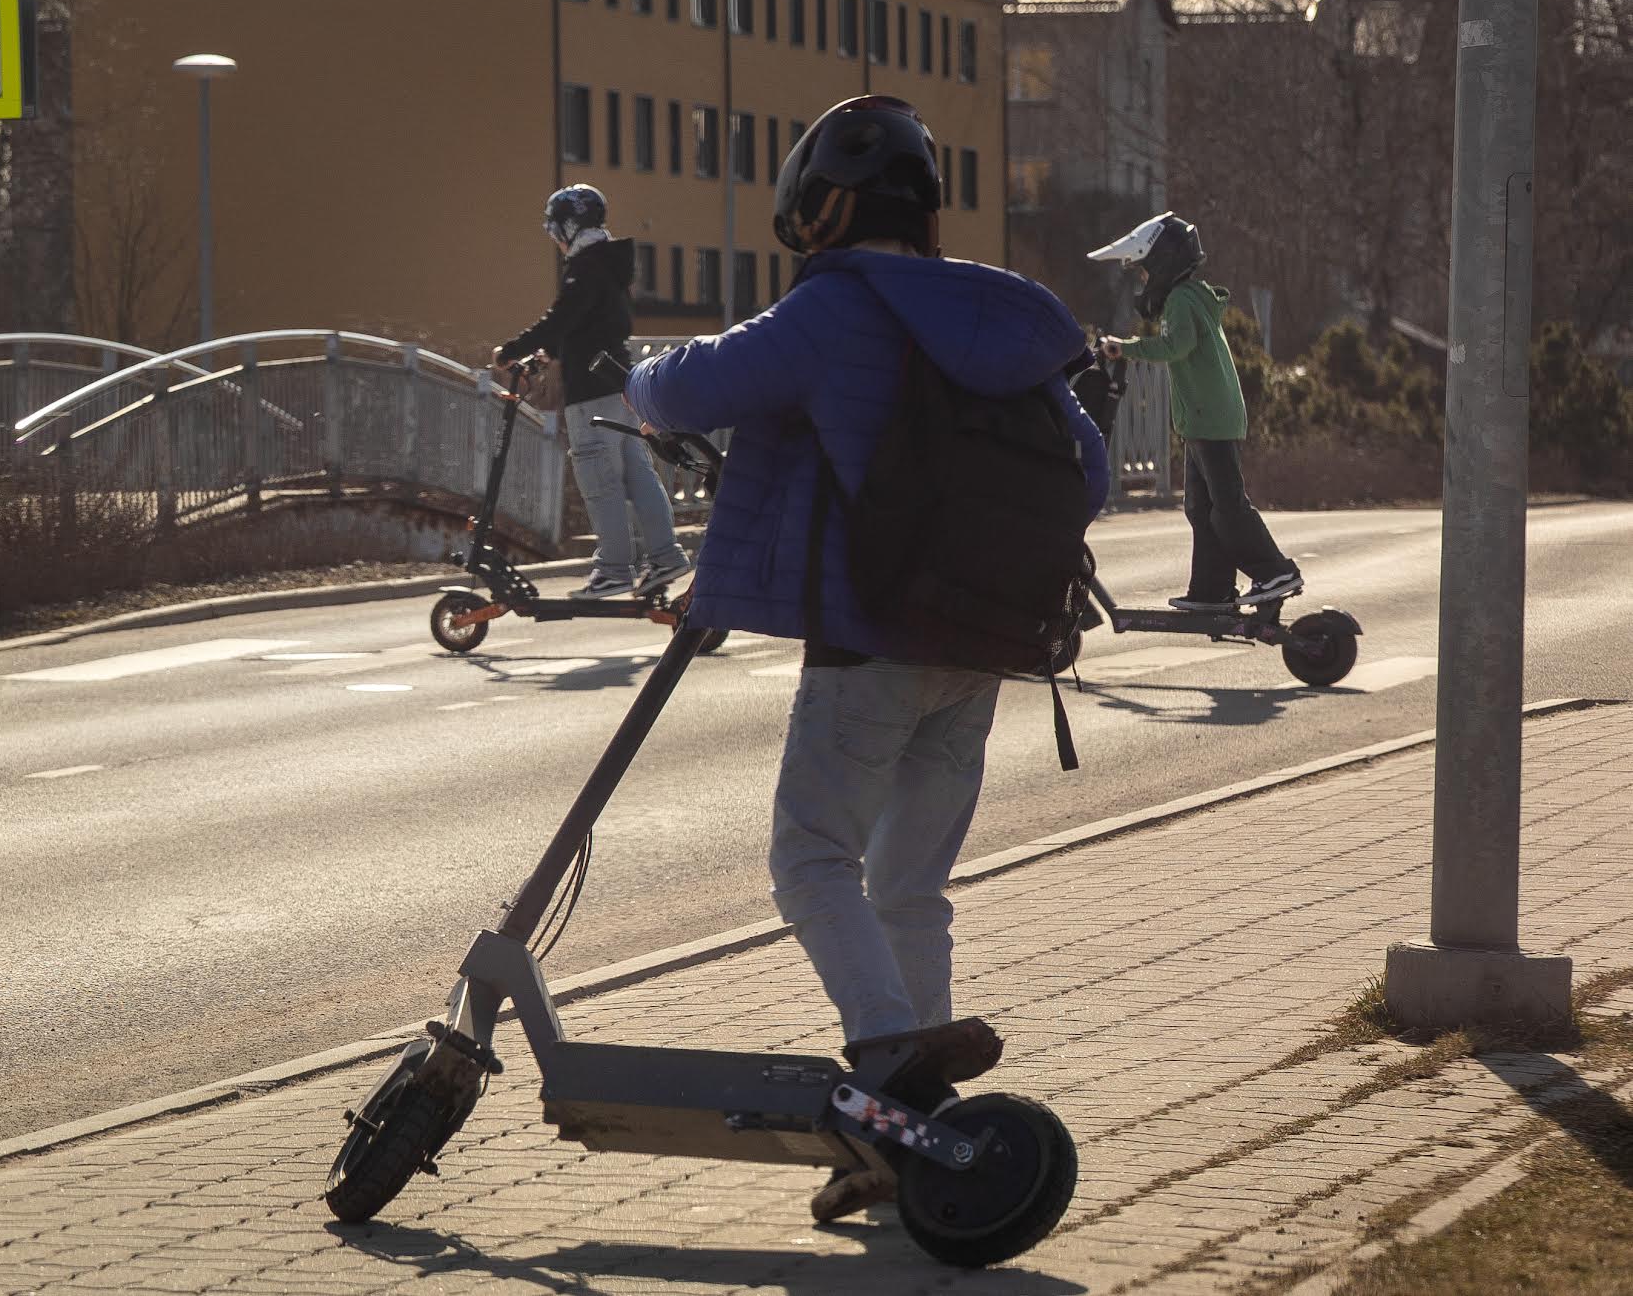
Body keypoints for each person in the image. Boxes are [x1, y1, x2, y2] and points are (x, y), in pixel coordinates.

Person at [624, 96, 1108, 1223]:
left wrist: (637, 377)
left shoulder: (838, 307)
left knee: (810, 860)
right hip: (983, 639)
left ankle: (887, 1070)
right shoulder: (1007, 315)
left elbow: (692, 386)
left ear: (818, 209)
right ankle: (926, 1147)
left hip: (871, 642)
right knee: (910, 885)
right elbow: (1085, 472)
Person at [1090, 213, 1302, 612]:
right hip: (1204, 420)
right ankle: (1212, 589)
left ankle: (1276, 571)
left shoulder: (1182, 300)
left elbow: (1176, 346)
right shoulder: (1187, 297)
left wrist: (1127, 347)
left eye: (1144, 272)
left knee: (1227, 508)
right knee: (1201, 509)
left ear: (1162, 263)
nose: (1142, 282)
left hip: (1212, 420)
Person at [493, 184, 688, 600]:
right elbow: (587, 323)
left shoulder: (585, 267)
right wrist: (552, 351)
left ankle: (615, 570)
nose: (553, 238)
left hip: (590, 390)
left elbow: (562, 318)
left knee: (600, 480)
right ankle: (665, 556)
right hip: (619, 385)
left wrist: (513, 351)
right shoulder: (609, 265)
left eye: (554, 228)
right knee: (637, 473)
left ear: (568, 225)